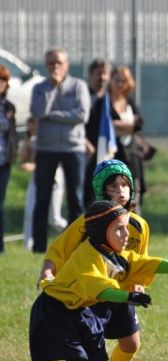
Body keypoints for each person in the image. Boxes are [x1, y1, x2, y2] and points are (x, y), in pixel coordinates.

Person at [30, 200, 168, 361]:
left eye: (126, 227)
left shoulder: (115, 253)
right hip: (56, 310)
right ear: (102, 231)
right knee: (79, 360)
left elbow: (148, 263)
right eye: (119, 229)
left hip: (80, 310)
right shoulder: (86, 255)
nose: (126, 234)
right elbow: (99, 288)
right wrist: (127, 296)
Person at [36, 159, 150, 361]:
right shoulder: (87, 224)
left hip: (122, 294)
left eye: (125, 186)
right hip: (92, 296)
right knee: (90, 359)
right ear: (101, 191)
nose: (120, 192)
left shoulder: (140, 226)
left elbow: (140, 263)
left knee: (131, 345)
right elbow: (58, 251)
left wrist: (139, 284)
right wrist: (48, 270)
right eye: (113, 187)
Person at [30, 48, 91, 253]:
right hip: (46, 149)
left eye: (59, 62)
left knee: (75, 197)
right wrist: (52, 90)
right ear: (46, 65)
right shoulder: (40, 88)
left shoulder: (79, 86)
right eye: (51, 63)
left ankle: (76, 245)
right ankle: (39, 246)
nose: (55, 66)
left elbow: (82, 115)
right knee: (43, 197)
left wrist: (53, 115)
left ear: (67, 64)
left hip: (73, 148)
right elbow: (38, 112)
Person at [19, 117, 68, 250]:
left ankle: (75, 234)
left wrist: (33, 166)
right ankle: (27, 246)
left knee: (54, 218)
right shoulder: (31, 139)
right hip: (36, 178)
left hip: (54, 178)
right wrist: (26, 142)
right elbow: (22, 159)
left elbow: (52, 164)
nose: (32, 129)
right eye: (30, 127)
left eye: (34, 126)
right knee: (30, 212)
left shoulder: (49, 140)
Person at [109, 66, 146, 212]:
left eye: (123, 81)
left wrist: (119, 126)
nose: (120, 84)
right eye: (117, 80)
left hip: (131, 155)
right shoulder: (105, 102)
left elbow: (138, 124)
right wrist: (127, 126)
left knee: (133, 192)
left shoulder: (129, 102)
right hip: (114, 155)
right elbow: (108, 126)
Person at [84, 58, 111, 207]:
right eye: (98, 73)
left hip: (104, 151)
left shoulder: (109, 97)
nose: (102, 78)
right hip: (87, 150)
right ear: (91, 75)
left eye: (105, 73)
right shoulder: (84, 95)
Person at [0, 64, 17, 253]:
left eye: (3, 80)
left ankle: (0, 246)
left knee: (0, 205)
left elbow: (11, 134)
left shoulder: (9, 108)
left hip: (3, 161)